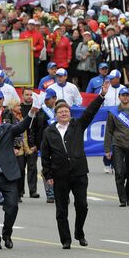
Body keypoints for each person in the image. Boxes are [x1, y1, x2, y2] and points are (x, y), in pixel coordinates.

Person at [40, 81, 108, 248]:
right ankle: (66, 239)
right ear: (55, 115)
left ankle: (79, 231)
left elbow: (90, 112)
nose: (64, 113)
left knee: (82, 205)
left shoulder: (77, 125)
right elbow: (45, 155)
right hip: (59, 175)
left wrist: (101, 95)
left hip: (78, 173)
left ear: (70, 113)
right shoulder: (49, 131)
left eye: (66, 111)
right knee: (61, 210)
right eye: (60, 112)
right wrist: (48, 175)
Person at [0, 103, 38, 249]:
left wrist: (31, 114)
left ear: (0, 120)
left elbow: (22, 127)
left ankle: (7, 233)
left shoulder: (8, 129)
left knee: (12, 206)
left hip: (8, 176)